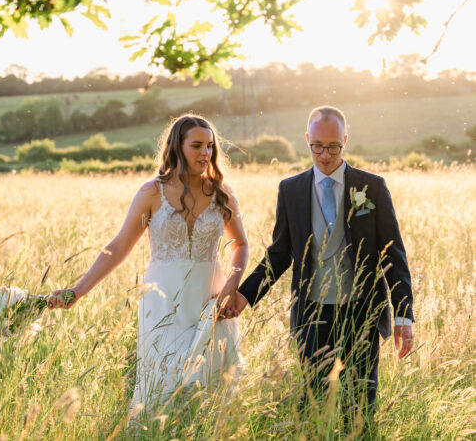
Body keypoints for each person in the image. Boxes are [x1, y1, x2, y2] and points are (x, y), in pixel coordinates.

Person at [48, 114, 248, 412]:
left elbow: (241, 245)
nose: (205, 153)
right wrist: (78, 291)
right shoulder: (151, 193)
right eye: (196, 145)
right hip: (162, 303)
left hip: (210, 302)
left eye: (210, 146)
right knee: (162, 389)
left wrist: (232, 287)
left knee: (209, 391)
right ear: (177, 147)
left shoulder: (222, 192)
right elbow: (118, 247)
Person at [227, 106, 414, 416]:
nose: (325, 155)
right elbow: (280, 252)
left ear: (345, 140)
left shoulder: (372, 187)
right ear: (307, 140)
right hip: (311, 317)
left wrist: (404, 316)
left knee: (359, 408)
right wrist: (244, 295)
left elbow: (393, 254)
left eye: (333, 147)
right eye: (317, 147)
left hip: (362, 314)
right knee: (313, 408)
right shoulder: (291, 190)